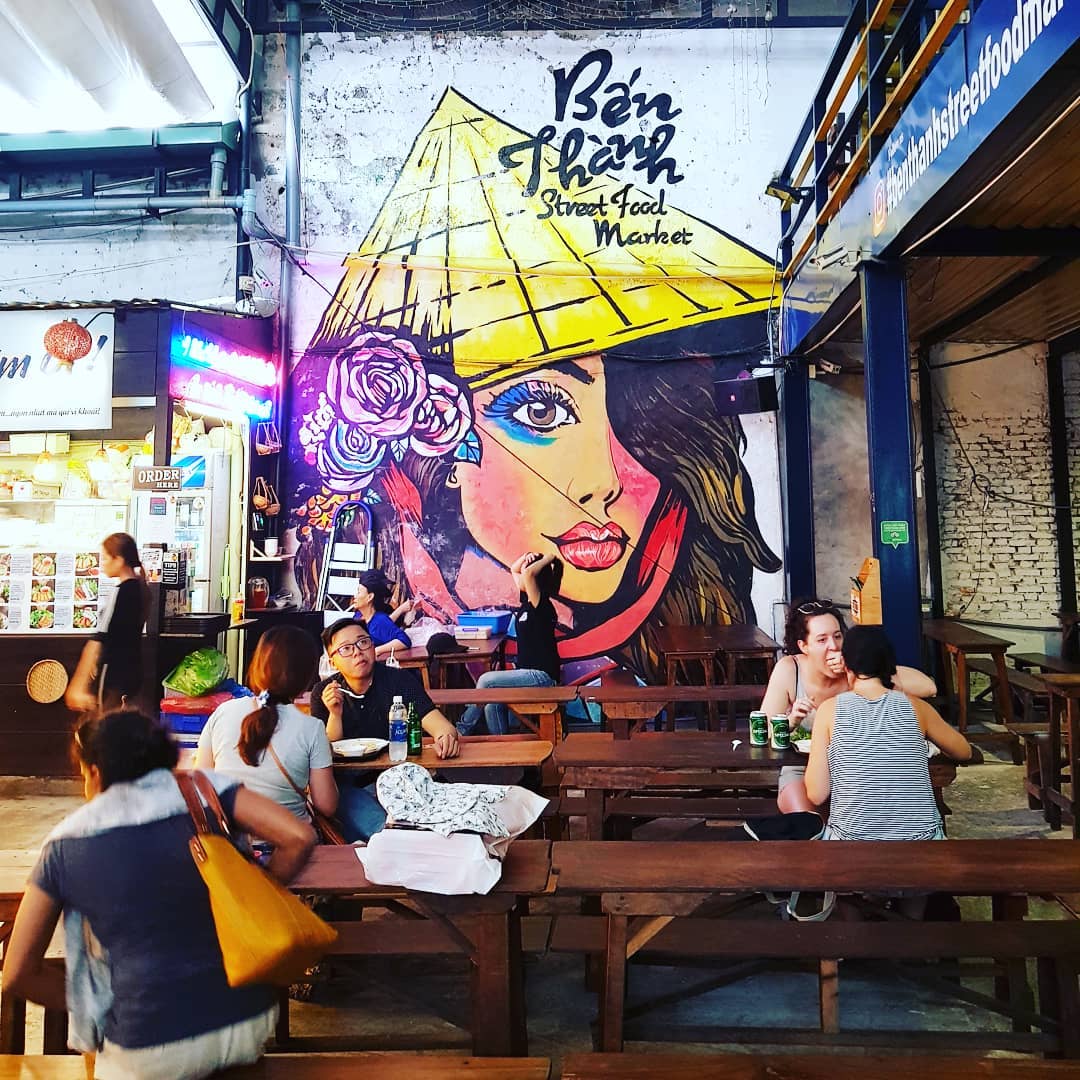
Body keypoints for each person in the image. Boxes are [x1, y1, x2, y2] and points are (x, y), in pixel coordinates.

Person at [4, 710, 315, 1080]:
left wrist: (98, 1006)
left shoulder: (64, 844)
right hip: (244, 1025)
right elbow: (299, 837)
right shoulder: (205, 790)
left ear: (94, 772)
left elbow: (17, 974)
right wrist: (256, 894)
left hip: (144, 1048)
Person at [761, 599, 937, 814]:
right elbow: (763, 731)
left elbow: (928, 687)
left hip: (858, 770)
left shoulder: (857, 670)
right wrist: (791, 721)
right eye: (822, 640)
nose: (834, 646)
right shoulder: (790, 669)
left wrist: (854, 667)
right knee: (807, 822)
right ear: (803, 646)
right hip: (802, 768)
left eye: (837, 636)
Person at [804, 624, 973, 839]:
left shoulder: (829, 710)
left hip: (851, 843)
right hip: (922, 842)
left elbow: (817, 794)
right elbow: (964, 751)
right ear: (890, 665)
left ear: (845, 664)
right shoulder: (916, 707)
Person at [310, 617, 460, 840]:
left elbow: (440, 726)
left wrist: (446, 737)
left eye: (363, 642)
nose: (357, 652)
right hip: (349, 785)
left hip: (399, 777)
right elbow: (326, 751)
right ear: (332, 661)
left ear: (373, 646)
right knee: (388, 832)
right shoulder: (324, 692)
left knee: (446, 824)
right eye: (346, 649)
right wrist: (335, 713)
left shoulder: (398, 681)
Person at [195, 626, 338, 828]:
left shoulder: (223, 712)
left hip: (228, 843)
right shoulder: (312, 728)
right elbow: (327, 806)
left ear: (257, 666)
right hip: (290, 842)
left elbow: (202, 788)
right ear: (306, 676)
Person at [458, 552, 563, 735]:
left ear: (535, 579)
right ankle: (501, 744)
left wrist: (550, 558)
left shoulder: (541, 605)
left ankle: (461, 730)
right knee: (492, 701)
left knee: (485, 681)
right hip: (527, 674)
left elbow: (528, 574)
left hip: (542, 676)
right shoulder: (527, 603)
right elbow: (514, 568)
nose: (522, 575)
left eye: (527, 572)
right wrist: (527, 556)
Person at [66, 533, 149, 712]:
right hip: (134, 673)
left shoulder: (120, 592)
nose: (102, 564)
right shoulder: (142, 589)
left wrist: (78, 685)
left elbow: (98, 640)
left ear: (119, 560)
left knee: (108, 723)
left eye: (105, 558)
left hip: (113, 676)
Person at [350, 568, 411, 658]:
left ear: (370, 597)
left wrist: (377, 650)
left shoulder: (380, 620)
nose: (355, 596)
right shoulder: (357, 615)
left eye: (359, 592)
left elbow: (404, 641)